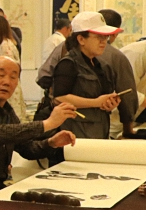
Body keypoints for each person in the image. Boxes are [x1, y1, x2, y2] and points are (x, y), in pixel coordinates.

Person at [0, 56, 77, 191]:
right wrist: (48, 123)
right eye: (1, 75)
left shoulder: (6, 110)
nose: (7, 82)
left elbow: (27, 148)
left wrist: (51, 143)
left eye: (13, 77)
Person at [49, 11, 123, 140]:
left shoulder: (101, 65)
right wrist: (96, 102)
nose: (103, 42)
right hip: (76, 134)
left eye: (105, 37)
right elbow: (60, 97)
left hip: (99, 131)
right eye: (98, 37)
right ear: (81, 39)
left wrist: (109, 103)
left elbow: (101, 97)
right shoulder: (68, 64)